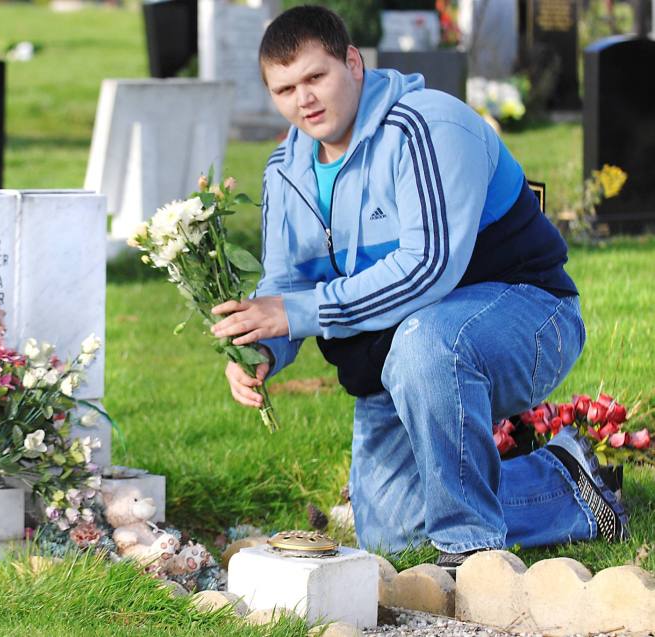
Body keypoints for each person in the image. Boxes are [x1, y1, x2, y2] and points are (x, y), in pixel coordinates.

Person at [209, 5, 628, 573]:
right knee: (396, 535)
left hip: (525, 314)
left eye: (315, 77)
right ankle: (568, 483)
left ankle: (473, 554)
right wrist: (261, 347)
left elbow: (429, 267)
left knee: (427, 343)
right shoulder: (285, 170)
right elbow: (286, 287)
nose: (303, 99)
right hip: (396, 351)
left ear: (352, 63)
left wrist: (298, 311)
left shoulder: (424, 124)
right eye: (285, 88)